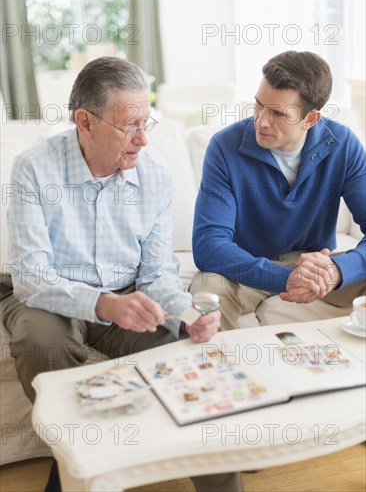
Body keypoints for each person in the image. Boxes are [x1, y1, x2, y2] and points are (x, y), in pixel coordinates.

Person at [1, 57, 243, 492]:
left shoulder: (153, 178)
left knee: (182, 352)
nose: (143, 139)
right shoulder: (34, 169)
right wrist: (104, 304)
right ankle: (81, 461)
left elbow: (158, 275)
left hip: (127, 293)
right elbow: (31, 276)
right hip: (47, 297)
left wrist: (186, 313)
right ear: (85, 122)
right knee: (43, 343)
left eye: (146, 122)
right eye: (130, 125)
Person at [191, 51, 366, 329]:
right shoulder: (224, 147)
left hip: (314, 267)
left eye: (277, 114)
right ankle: (219, 369)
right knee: (206, 291)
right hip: (243, 267)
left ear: (311, 119)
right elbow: (208, 245)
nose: (261, 121)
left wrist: (337, 271)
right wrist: (284, 278)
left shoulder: (343, 145)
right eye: (259, 105)